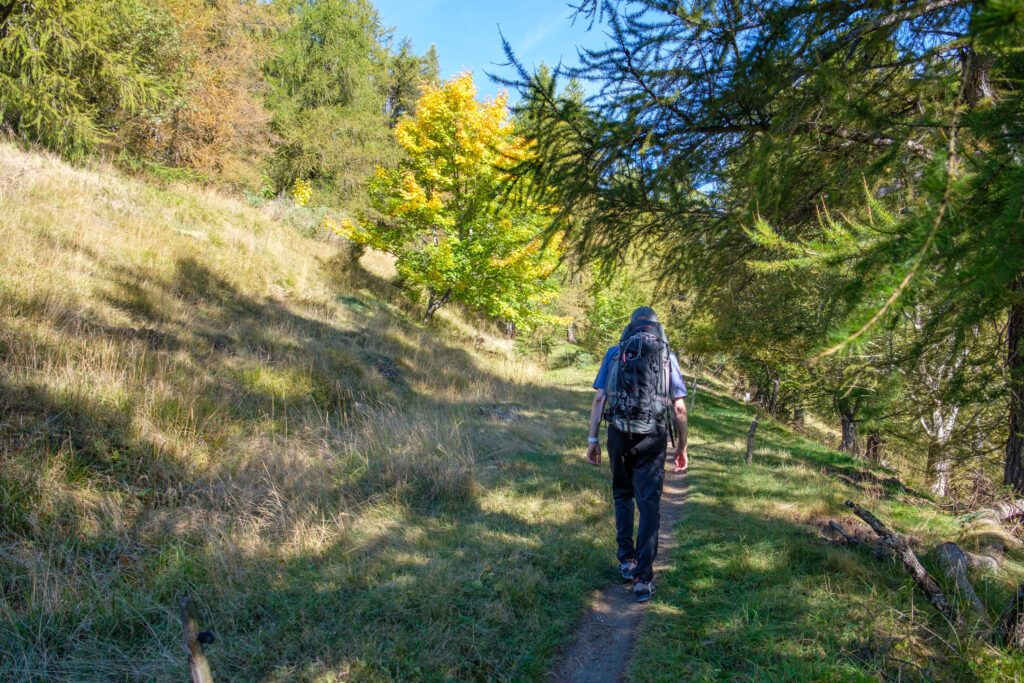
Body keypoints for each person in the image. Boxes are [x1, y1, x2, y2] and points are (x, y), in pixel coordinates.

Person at [586, 306, 689, 602]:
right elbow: (679, 408)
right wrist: (681, 447)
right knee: (649, 504)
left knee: (622, 495)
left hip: (618, 432)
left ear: (631, 326)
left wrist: (593, 439)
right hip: (653, 436)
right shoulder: (667, 357)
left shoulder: (615, 352)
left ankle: (626, 560)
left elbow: (599, 397)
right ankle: (643, 577)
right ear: (657, 328)